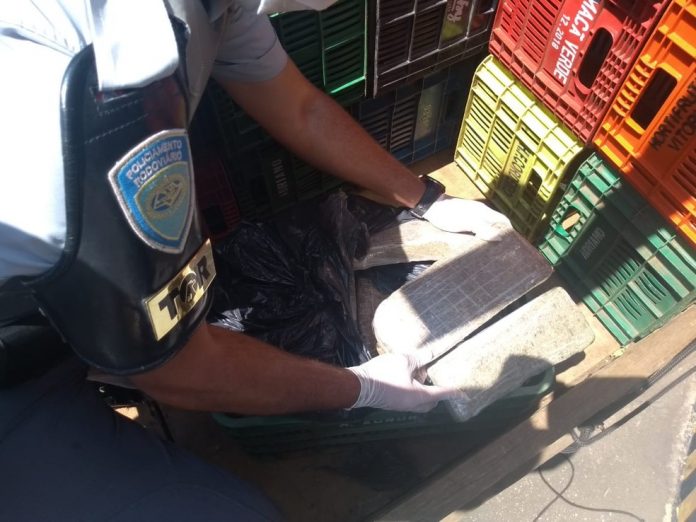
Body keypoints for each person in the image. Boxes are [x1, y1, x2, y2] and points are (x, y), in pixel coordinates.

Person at [0, 1, 510, 520]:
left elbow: (299, 108)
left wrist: (425, 198)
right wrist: (365, 387)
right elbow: (178, 368)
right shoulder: (113, 80)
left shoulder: (219, 8)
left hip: (67, 299)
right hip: (20, 363)